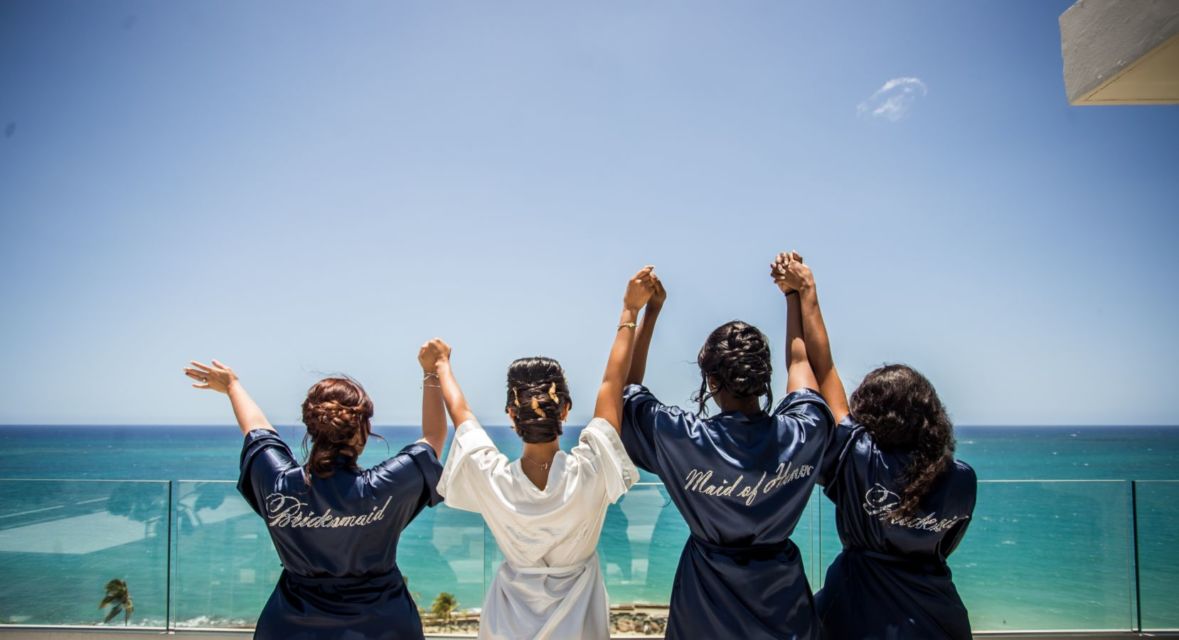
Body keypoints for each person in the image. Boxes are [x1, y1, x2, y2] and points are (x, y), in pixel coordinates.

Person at [430, 267, 654, 640]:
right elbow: (614, 383)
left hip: (507, 623)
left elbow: (461, 415)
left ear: (510, 414)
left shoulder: (492, 478)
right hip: (580, 623)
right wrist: (632, 310)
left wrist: (439, 366)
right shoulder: (592, 468)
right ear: (565, 409)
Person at [620, 268, 834, 640]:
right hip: (785, 613)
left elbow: (626, 391)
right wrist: (793, 296)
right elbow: (802, 365)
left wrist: (648, 312)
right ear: (763, 377)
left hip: (704, 612)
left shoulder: (684, 439)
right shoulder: (803, 432)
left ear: (712, 381)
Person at [772, 252, 977, 640]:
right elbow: (943, 547)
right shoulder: (962, 479)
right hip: (938, 617)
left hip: (856, 610)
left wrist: (801, 293)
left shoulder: (857, 457)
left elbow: (822, 368)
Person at [182, 354, 447, 640]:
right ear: (364, 430)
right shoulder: (382, 488)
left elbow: (257, 430)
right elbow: (433, 437)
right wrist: (432, 371)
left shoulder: (280, 486)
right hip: (383, 627)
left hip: (290, 626)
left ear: (312, 427)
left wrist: (233, 385)